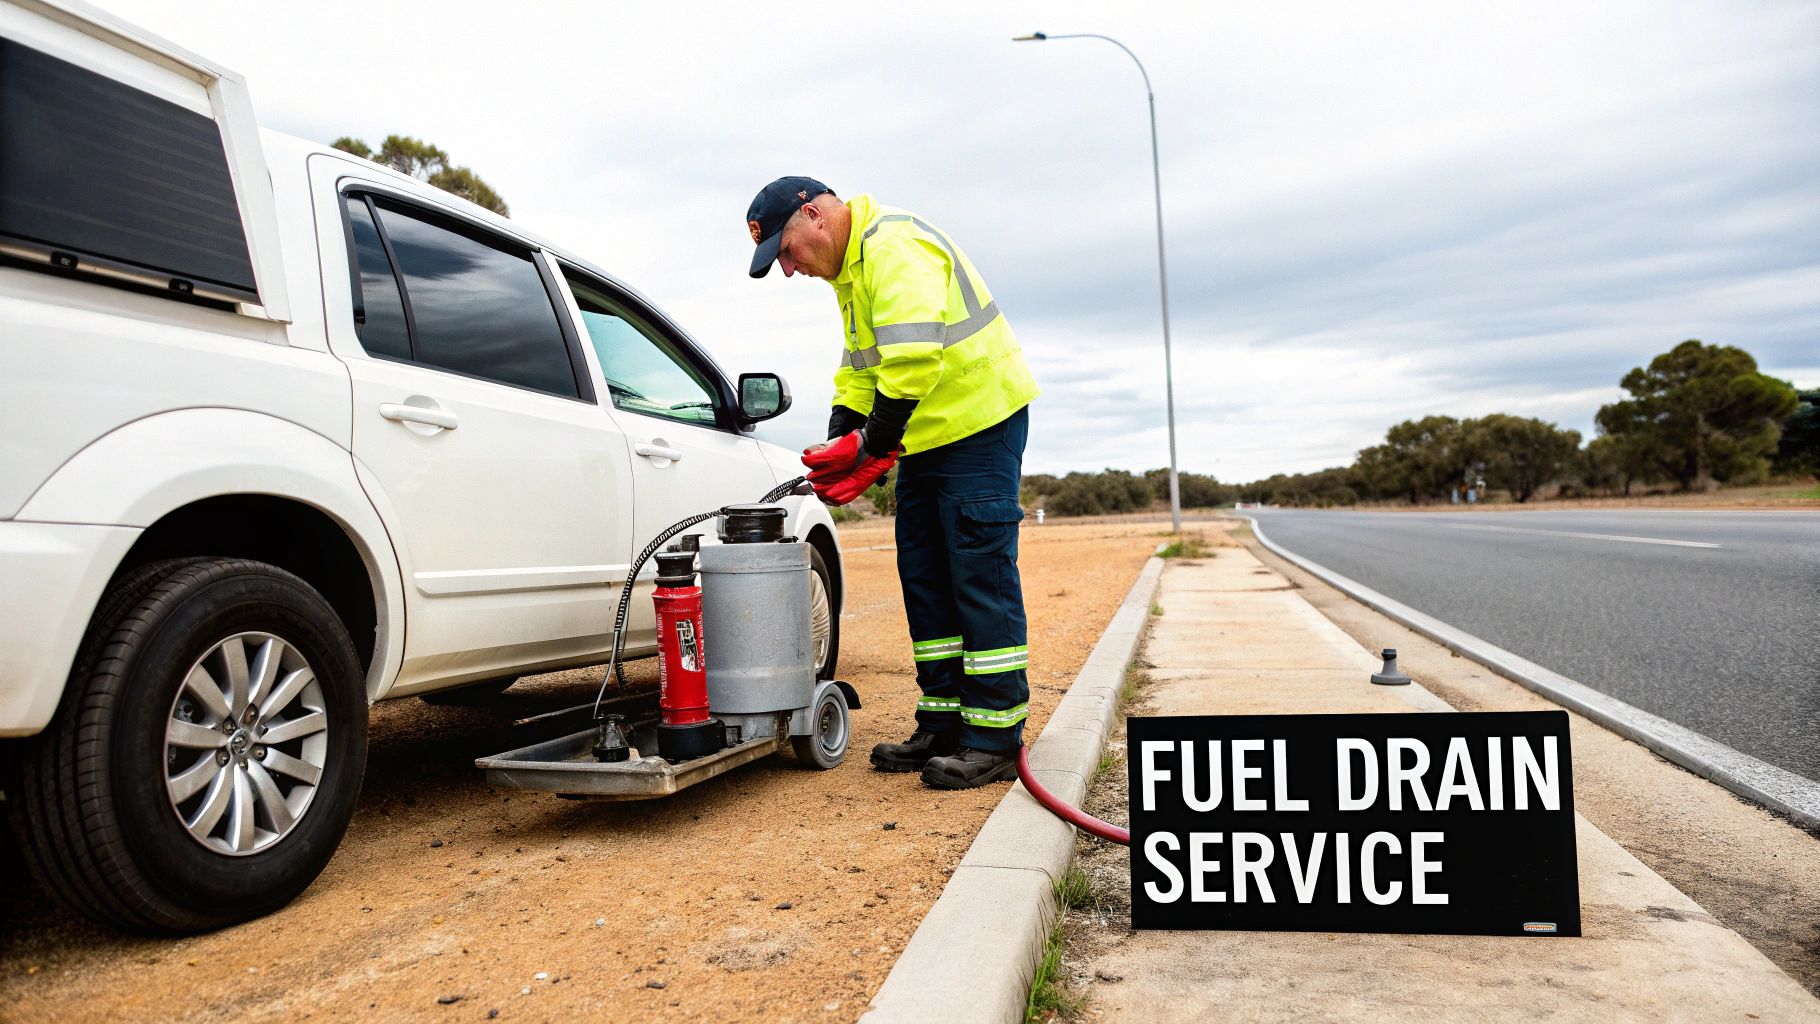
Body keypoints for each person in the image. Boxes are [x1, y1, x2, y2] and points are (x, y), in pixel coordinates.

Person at [745, 176, 1040, 789]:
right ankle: (942, 720)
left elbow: (910, 361)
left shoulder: (892, 248)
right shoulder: (850, 277)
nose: (789, 270)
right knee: (926, 578)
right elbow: (858, 374)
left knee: (978, 576)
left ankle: (993, 734)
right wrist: (838, 444)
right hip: (926, 436)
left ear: (814, 217)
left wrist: (871, 446)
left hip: (979, 426)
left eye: (786, 251)